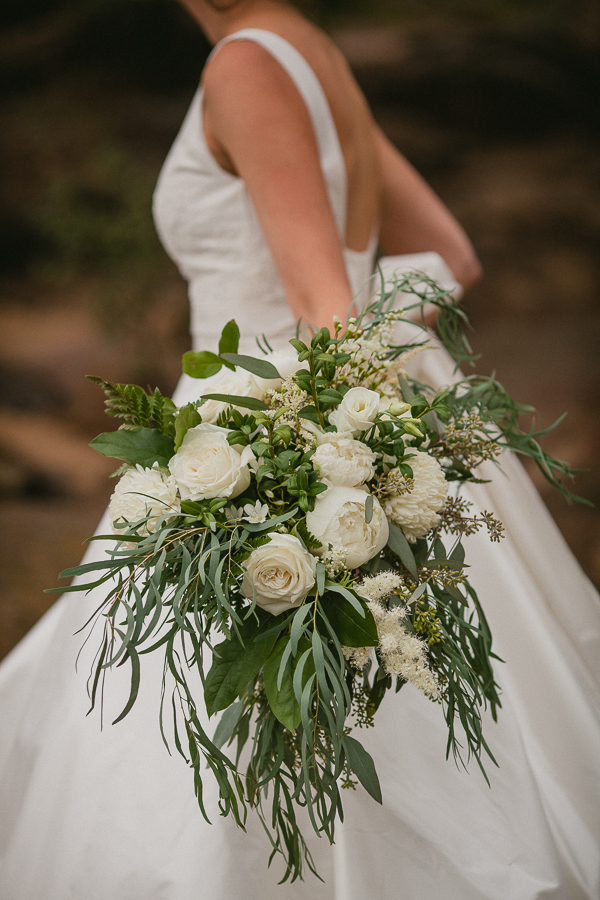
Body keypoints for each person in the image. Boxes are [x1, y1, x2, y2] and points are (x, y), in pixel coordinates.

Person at [1, 1, 599, 897]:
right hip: (309, 397)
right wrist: (399, 368)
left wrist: (318, 440)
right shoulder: (313, 52)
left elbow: (325, 310)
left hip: (266, 424)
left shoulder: (244, 65)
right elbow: (450, 256)